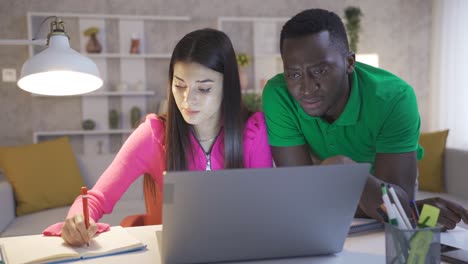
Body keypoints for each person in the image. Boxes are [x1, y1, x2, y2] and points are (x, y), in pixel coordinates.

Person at [50, 28, 272, 246]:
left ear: (228, 87)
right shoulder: (153, 134)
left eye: (203, 89)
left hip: (239, 251)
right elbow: (97, 198)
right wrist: (77, 219)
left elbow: (264, 211)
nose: (188, 99)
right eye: (179, 85)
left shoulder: (253, 131)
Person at [262, 8, 468, 229]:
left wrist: (346, 171)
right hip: (365, 200)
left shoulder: (394, 98)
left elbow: (398, 203)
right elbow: (302, 197)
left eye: (320, 71)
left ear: (350, 62)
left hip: (373, 188)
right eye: (294, 74)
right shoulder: (279, 94)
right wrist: (401, 210)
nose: (306, 88)